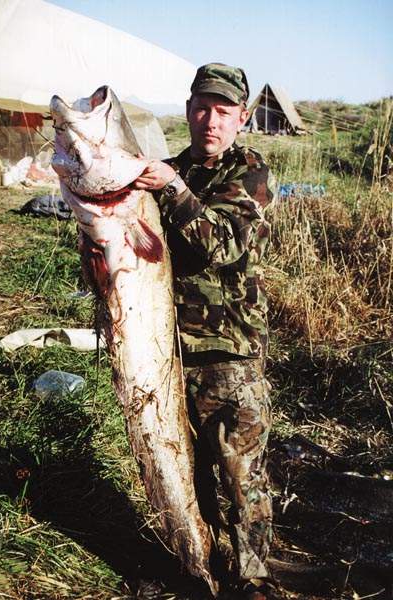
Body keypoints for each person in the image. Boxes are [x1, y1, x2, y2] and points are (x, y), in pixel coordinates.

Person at [134, 63, 276, 600]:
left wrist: (169, 187)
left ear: (241, 117)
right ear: (188, 109)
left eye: (222, 111)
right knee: (185, 469)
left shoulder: (250, 173)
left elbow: (222, 245)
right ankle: (195, 563)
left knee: (242, 476)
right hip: (167, 353)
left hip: (230, 355)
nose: (209, 121)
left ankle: (253, 579)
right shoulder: (169, 169)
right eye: (201, 108)